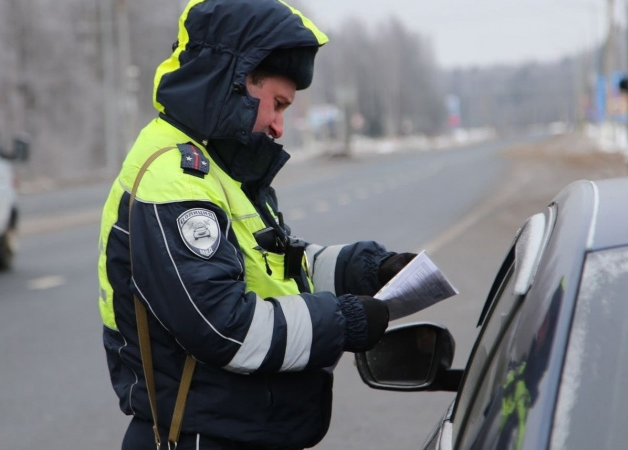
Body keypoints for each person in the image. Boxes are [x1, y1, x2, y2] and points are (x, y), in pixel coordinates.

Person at [97, 1, 416, 448]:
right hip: (198, 439)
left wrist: (365, 270)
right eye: (279, 104)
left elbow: (266, 269)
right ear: (238, 82)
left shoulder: (215, 165)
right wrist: (342, 323)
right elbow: (226, 326)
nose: (280, 126)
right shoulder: (174, 177)